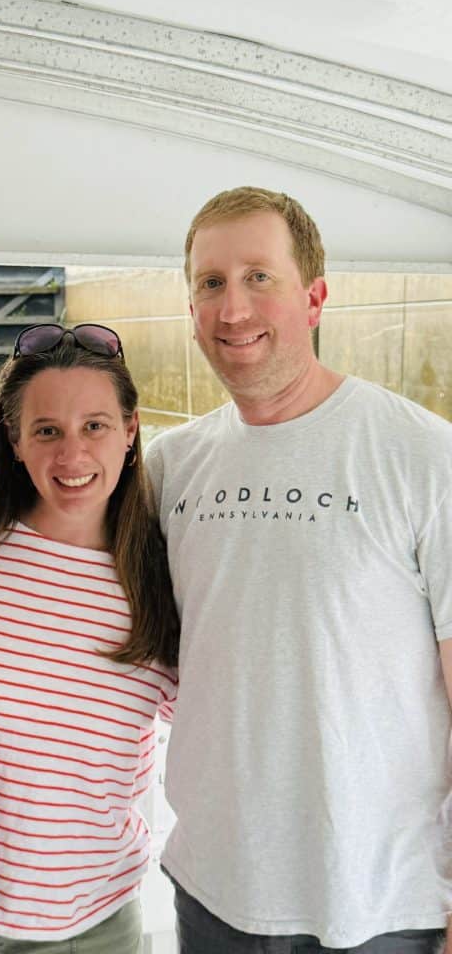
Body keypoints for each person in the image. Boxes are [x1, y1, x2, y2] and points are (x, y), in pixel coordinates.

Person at [146, 186, 452, 953]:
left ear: (314, 298)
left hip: (379, 908)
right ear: (191, 309)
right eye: (210, 283)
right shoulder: (170, 466)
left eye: (259, 277)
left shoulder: (423, 455)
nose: (232, 308)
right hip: (212, 893)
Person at [0, 323, 179, 954]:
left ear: (130, 431)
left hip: (93, 927)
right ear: (15, 440)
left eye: (95, 426)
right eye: (47, 430)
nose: (71, 454)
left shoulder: (165, 575)